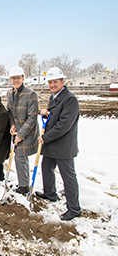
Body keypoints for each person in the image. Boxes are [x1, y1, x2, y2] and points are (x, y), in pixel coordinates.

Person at [36, 67, 81, 221]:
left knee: (68, 177)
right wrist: (47, 112)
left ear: (63, 82)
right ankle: (50, 194)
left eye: (55, 82)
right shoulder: (54, 97)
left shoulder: (70, 99)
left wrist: (45, 137)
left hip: (63, 146)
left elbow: (64, 124)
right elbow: (54, 116)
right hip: (51, 145)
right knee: (46, 168)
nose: (52, 85)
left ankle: (74, 208)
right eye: (50, 82)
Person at [7, 66, 39, 195]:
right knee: (20, 157)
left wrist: (21, 135)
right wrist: (12, 124)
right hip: (16, 130)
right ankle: (24, 183)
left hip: (28, 131)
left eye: (18, 78)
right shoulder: (10, 93)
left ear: (23, 78)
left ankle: (24, 186)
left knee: (20, 157)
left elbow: (32, 117)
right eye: (13, 78)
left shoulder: (31, 94)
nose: (16, 80)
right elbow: (10, 111)